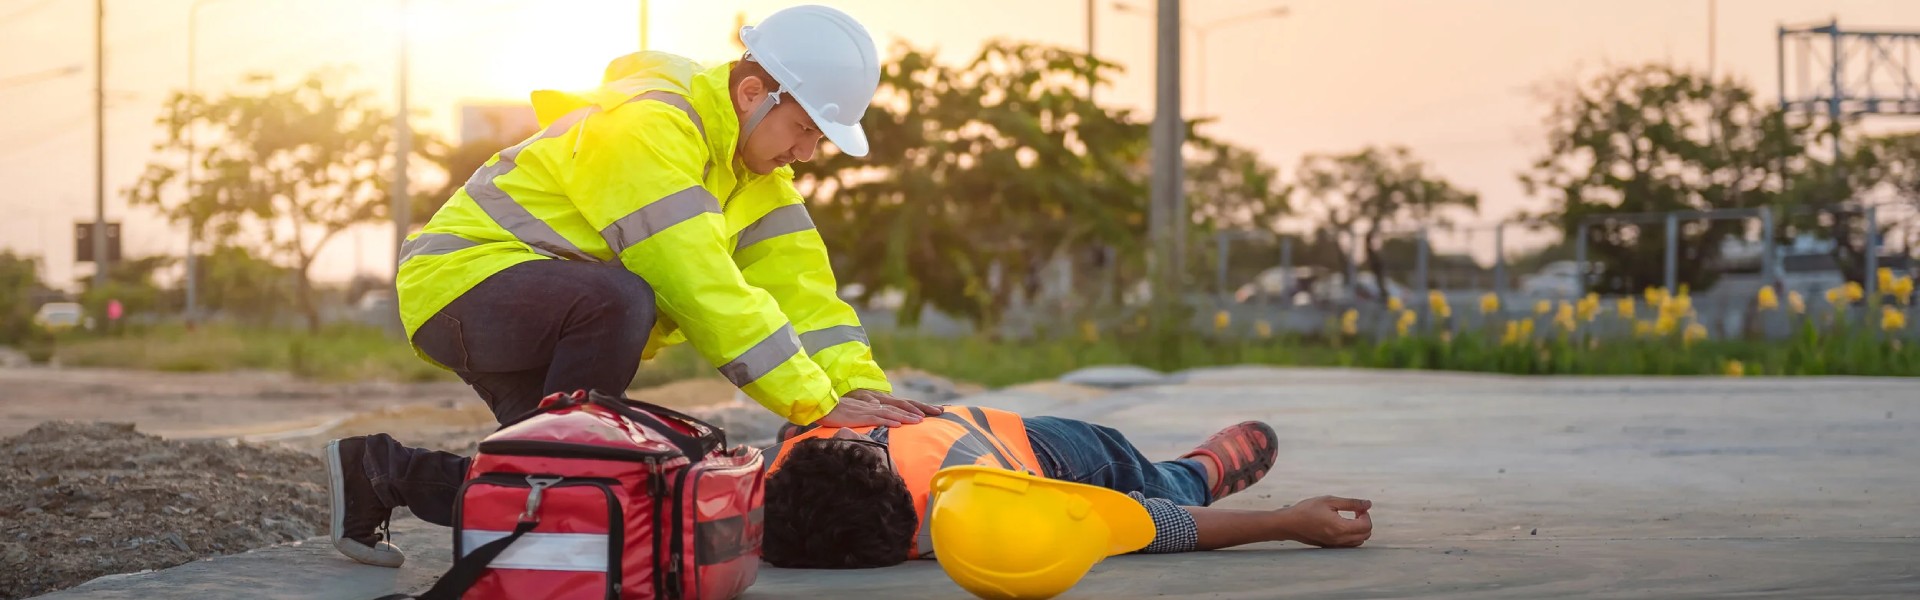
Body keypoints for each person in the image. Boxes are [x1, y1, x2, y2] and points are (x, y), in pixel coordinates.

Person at [324, 5, 940, 568]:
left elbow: (809, 303)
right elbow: (697, 283)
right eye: (804, 128)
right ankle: (564, 472)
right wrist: (812, 401)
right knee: (623, 301)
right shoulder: (650, 125)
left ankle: (381, 473)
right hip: (462, 286)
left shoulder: (760, 187)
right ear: (753, 93)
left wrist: (867, 404)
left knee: (577, 493)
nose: (807, 152)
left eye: (818, 139)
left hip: (542, 310)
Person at [761, 407, 1375, 568]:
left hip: (1031, 442)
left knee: (1143, 476)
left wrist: (1288, 522)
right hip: (1013, 446)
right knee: (1139, 478)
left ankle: (1190, 473)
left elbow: (1150, 526)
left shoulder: (988, 500)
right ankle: (1191, 473)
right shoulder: (975, 510)